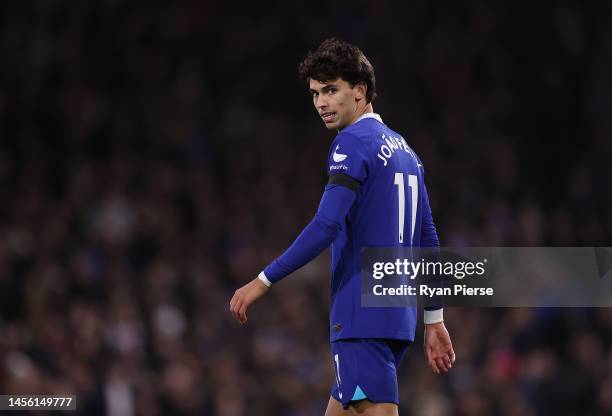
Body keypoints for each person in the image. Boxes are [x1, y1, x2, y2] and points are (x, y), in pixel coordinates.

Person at [230, 38, 455, 416]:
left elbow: (326, 225)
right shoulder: (407, 152)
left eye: (331, 90)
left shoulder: (351, 143)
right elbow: (427, 239)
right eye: (315, 93)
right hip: (397, 316)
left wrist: (263, 280)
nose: (321, 103)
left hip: (359, 316)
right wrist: (434, 317)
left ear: (360, 91)